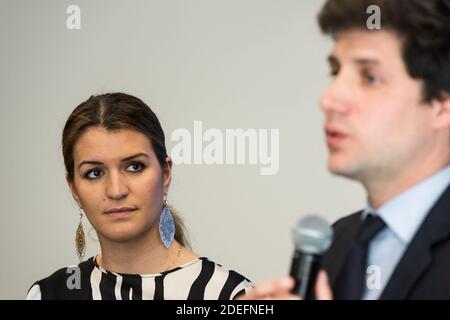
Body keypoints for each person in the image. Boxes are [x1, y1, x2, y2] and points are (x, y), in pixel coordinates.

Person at [242, 0, 450, 300]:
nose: (328, 99)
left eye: (369, 77)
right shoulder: (335, 243)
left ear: (441, 104)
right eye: (335, 71)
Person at [26, 92, 252, 300]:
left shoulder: (229, 295)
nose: (116, 190)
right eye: (94, 173)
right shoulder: (50, 293)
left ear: (165, 174)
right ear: (74, 189)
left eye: (134, 167)